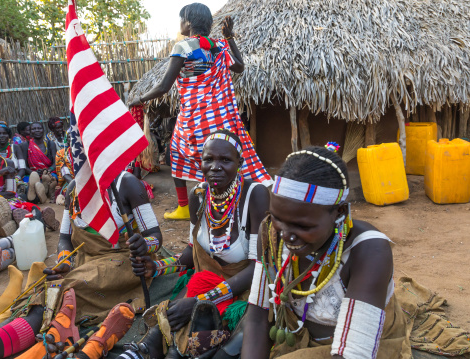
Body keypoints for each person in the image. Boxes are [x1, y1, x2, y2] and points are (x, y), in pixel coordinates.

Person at [241, 144, 404, 358]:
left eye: (303, 226)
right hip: (298, 340)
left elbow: (354, 353)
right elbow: (258, 316)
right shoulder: (270, 232)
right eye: (278, 218)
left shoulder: (369, 250)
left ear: (339, 212)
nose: (286, 235)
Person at [127, 129, 269, 359]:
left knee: (215, 341)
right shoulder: (199, 195)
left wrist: (199, 302)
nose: (215, 166)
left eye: (225, 160)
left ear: (239, 162)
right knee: (171, 317)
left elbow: (257, 269)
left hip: (242, 290)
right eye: (208, 159)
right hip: (203, 282)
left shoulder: (255, 195)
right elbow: (193, 253)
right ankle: (145, 350)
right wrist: (157, 267)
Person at [130, 3, 271, 221]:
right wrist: (230, 38)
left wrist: (138, 99)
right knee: (220, 159)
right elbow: (240, 67)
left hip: (194, 117)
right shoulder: (219, 46)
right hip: (219, 116)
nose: (180, 24)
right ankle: (216, 206)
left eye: (181, 20)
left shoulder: (183, 47)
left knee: (179, 155)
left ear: (188, 21)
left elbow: (164, 86)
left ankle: (192, 207)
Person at [13, 170, 162, 358]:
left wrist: (145, 245)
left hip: (123, 260)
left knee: (69, 287)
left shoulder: (127, 184)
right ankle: (35, 333)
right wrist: (65, 262)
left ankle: (54, 334)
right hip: (85, 261)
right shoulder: (74, 189)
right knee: (50, 286)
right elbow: (65, 239)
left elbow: (155, 236)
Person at [19, 122, 57, 203]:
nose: (37, 130)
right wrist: (34, 173)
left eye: (39, 128)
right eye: (34, 129)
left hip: (49, 173)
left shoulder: (50, 144)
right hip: (31, 174)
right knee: (28, 184)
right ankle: (43, 191)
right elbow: (23, 165)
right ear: (30, 131)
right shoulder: (25, 145)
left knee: (53, 178)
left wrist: (48, 170)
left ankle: (42, 190)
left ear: (43, 130)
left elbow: (55, 163)